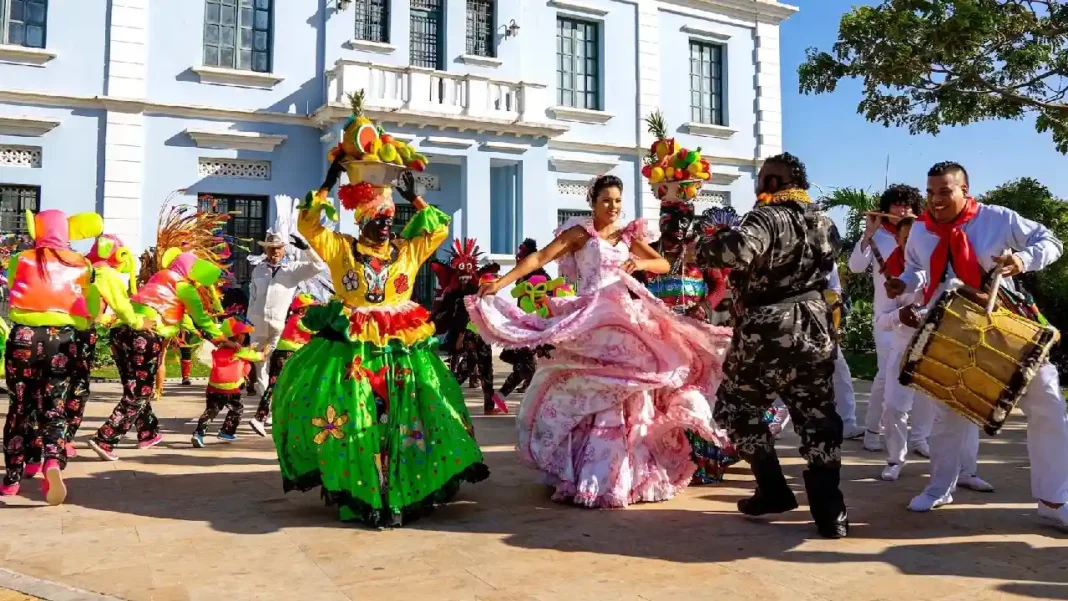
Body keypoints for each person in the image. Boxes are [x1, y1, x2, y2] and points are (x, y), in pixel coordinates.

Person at [272, 98, 487, 526]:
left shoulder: (408, 251)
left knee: (408, 417)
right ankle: (363, 488)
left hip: (402, 351)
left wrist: (417, 198)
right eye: (378, 217)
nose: (387, 223)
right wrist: (330, 180)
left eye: (390, 216)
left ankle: (403, 489)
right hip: (352, 353)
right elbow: (309, 225)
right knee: (356, 418)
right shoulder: (341, 249)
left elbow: (439, 226)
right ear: (362, 218)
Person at [470, 174, 733, 508]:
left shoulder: (627, 235)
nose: (613, 207)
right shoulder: (581, 234)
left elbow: (662, 262)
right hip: (590, 317)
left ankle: (621, 472)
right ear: (592, 203)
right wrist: (501, 282)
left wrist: (639, 262)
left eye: (618, 201)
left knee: (631, 391)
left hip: (624, 318)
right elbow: (539, 259)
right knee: (591, 387)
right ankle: (584, 471)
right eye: (606, 200)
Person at [885, 161, 1065, 524]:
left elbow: (1051, 241)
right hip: (951, 328)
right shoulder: (920, 231)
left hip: (1005, 324)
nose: (935, 199)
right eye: (930, 192)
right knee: (949, 412)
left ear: (965, 189)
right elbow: (919, 269)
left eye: (944, 191)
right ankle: (940, 487)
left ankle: (1054, 501)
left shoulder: (997, 218)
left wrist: (1022, 259)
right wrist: (905, 283)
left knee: (1046, 401)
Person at [696, 152, 849, 538]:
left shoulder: (767, 215)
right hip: (815, 326)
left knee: (734, 407)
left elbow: (739, 251)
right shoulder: (824, 221)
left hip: (768, 329)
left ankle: (773, 488)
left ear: (774, 182)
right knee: (818, 416)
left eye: (762, 178)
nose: (758, 185)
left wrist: (704, 247)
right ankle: (831, 512)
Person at [1, 210, 104, 504]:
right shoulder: (83, 264)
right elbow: (88, 307)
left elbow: (11, 291)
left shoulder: (22, 259)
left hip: (25, 338)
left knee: (20, 406)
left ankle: (12, 479)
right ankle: (51, 462)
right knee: (54, 406)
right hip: (64, 339)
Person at [88, 249, 228, 461]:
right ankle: (105, 439)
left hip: (120, 332)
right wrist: (221, 341)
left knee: (132, 387)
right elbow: (202, 320)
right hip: (144, 336)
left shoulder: (159, 278)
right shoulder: (184, 288)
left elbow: (182, 319)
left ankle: (148, 433)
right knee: (140, 392)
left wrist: (203, 334)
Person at [849, 185, 925, 452]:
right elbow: (856, 267)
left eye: (907, 205)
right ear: (886, 208)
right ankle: (872, 429)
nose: (901, 210)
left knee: (917, 375)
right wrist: (869, 233)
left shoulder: (923, 233)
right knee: (885, 373)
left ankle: (918, 437)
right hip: (885, 315)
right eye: (896, 205)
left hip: (917, 314)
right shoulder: (878, 235)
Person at [246, 232, 326, 398]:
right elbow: (252, 297)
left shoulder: (293, 269)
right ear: (266, 250)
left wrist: (307, 248)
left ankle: (275, 401)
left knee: (277, 363)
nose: (275, 251)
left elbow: (319, 266)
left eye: (278, 248)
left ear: (283, 249)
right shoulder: (259, 270)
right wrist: (248, 322)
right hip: (257, 322)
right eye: (271, 248)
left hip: (279, 323)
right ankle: (265, 402)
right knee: (259, 362)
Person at [248, 293, 317, 436]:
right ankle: (259, 417)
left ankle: (267, 417)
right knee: (276, 386)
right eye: (310, 307)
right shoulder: (299, 320)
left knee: (281, 387)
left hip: (286, 354)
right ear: (302, 309)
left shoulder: (296, 318)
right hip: (287, 354)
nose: (312, 311)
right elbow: (314, 331)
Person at [492, 239, 550, 403]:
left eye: (521, 256)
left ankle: (502, 396)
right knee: (527, 366)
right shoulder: (522, 277)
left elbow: (548, 301)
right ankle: (530, 401)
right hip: (524, 328)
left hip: (538, 328)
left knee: (527, 367)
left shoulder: (541, 278)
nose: (518, 259)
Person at [192, 317, 264, 447]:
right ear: (238, 337)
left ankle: (199, 434)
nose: (245, 336)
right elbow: (257, 357)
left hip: (213, 387)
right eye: (244, 334)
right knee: (237, 409)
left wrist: (248, 349)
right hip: (231, 389)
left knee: (210, 411)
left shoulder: (220, 349)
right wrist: (264, 353)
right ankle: (227, 431)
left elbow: (242, 352)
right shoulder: (240, 351)